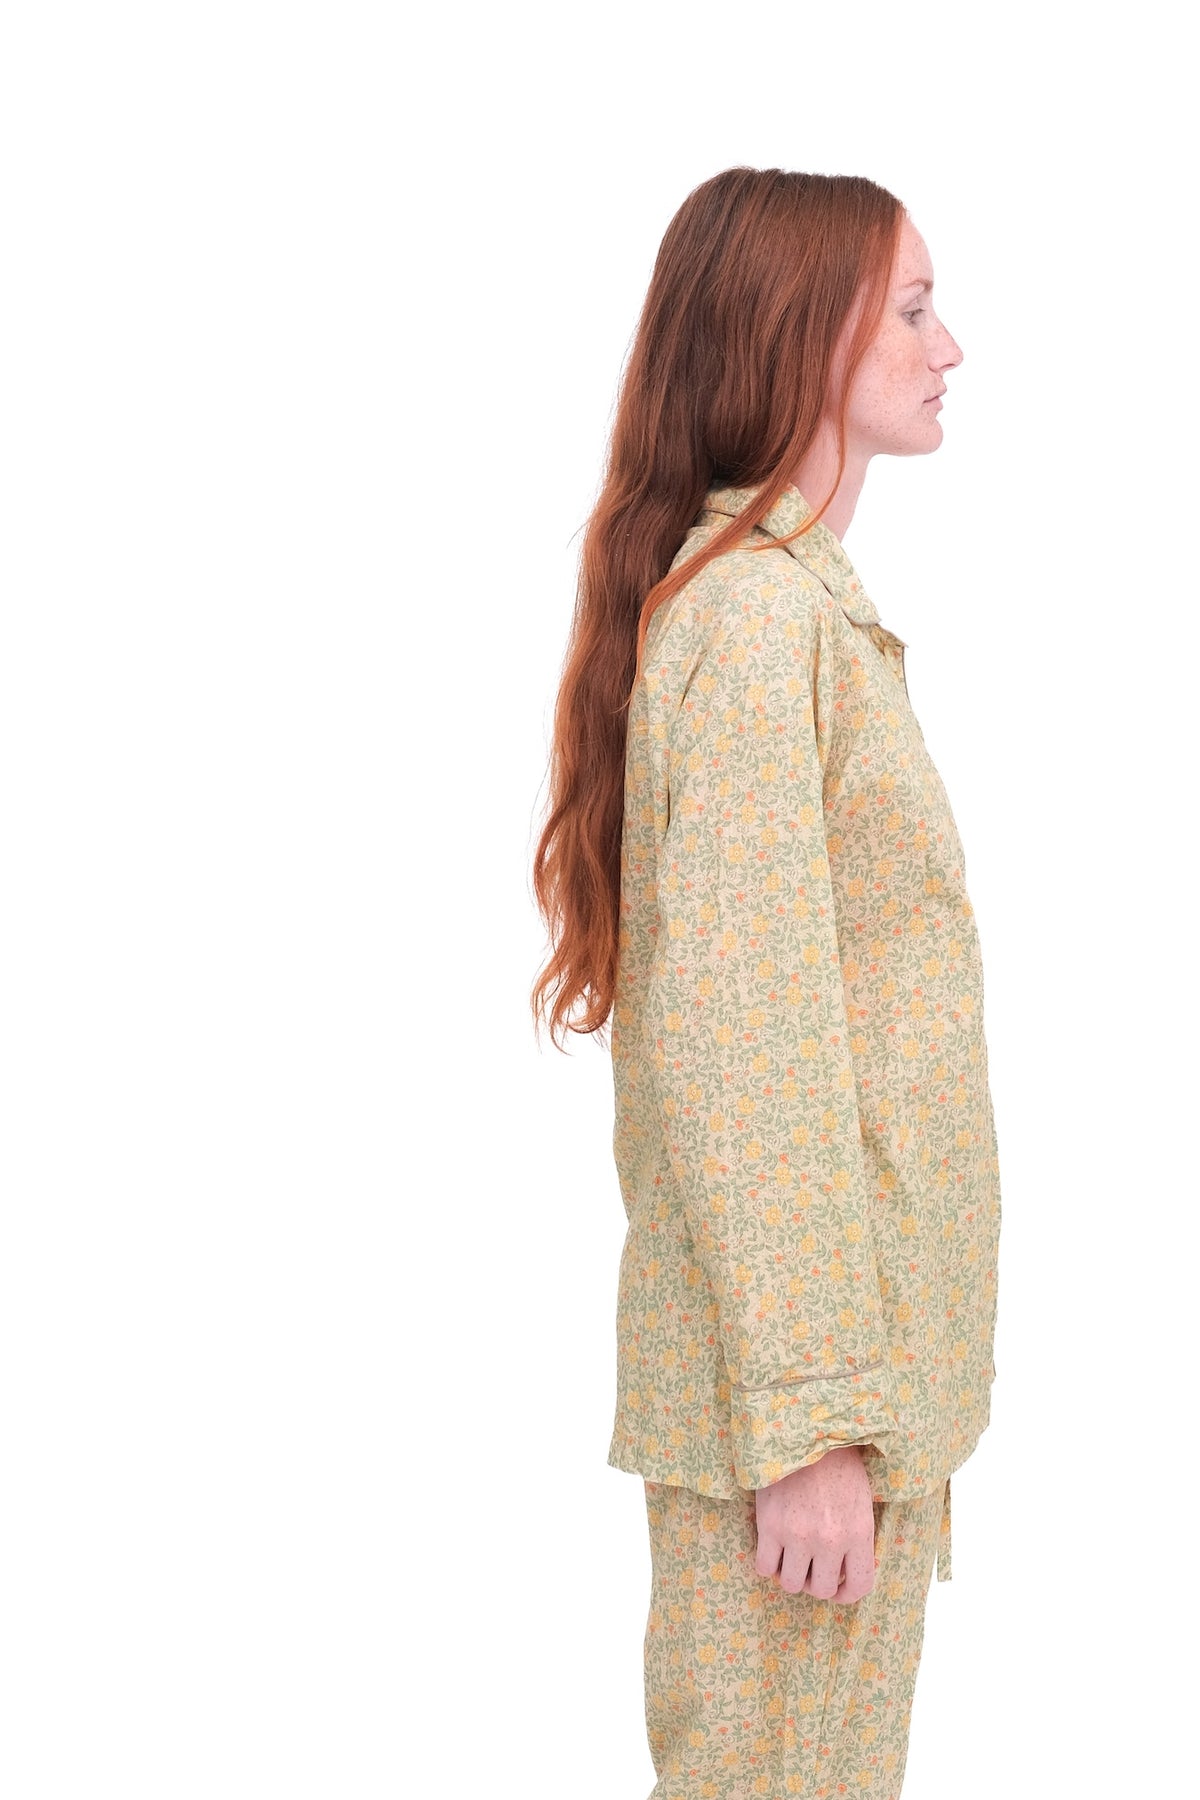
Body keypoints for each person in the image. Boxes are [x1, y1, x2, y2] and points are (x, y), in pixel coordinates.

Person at [530, 166, 1002, 1800]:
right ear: (806, 338)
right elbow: (749, 1048)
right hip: (800, 1422)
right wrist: (808, 1429)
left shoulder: (784, 614)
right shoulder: (753, 629)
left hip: (848, 1397)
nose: (952, 347)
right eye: (915, 310)